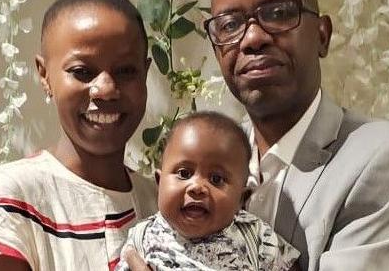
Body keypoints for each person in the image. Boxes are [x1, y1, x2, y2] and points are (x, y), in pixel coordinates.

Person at [202, 0, 389, 271]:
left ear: (322, 35)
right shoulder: (206, 159)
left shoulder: (385, 157)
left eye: (279, 13)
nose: (253, 38)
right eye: (230, 25)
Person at [0, 0, 157, 271]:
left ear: (145, 73)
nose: (106, 89)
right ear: (44, 75)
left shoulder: (161, 202)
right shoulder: (13, 199)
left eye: (126, 71)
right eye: (82, 72)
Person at [115, 111, 300, 271]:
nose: (197, 187)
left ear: (240, 200)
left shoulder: (256, 236)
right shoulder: (142, 237)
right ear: (159, 182)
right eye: (184, 173)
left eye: (216, 179)